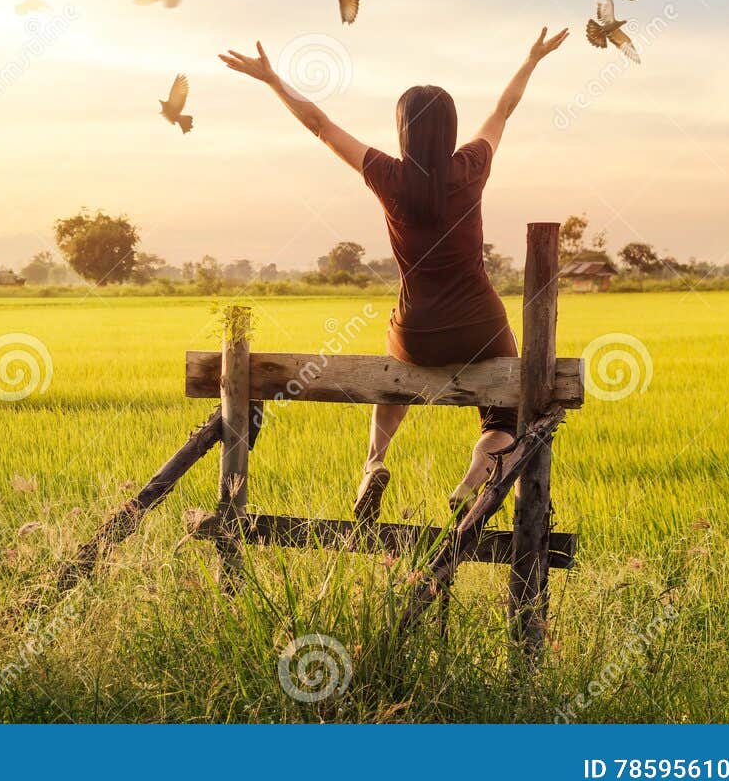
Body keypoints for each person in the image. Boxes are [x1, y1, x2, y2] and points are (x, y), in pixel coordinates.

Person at [219, 26, 569, 521]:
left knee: (394, 380)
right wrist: (532, 59)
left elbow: (319, 123)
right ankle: (476, 468)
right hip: (480, 325)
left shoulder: (388, 175)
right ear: (450, 129)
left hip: (416, 330)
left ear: (402, 129)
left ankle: (375, 463)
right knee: (504, 414)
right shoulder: (471, 166)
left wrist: (273, 80)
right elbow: (503, 110)